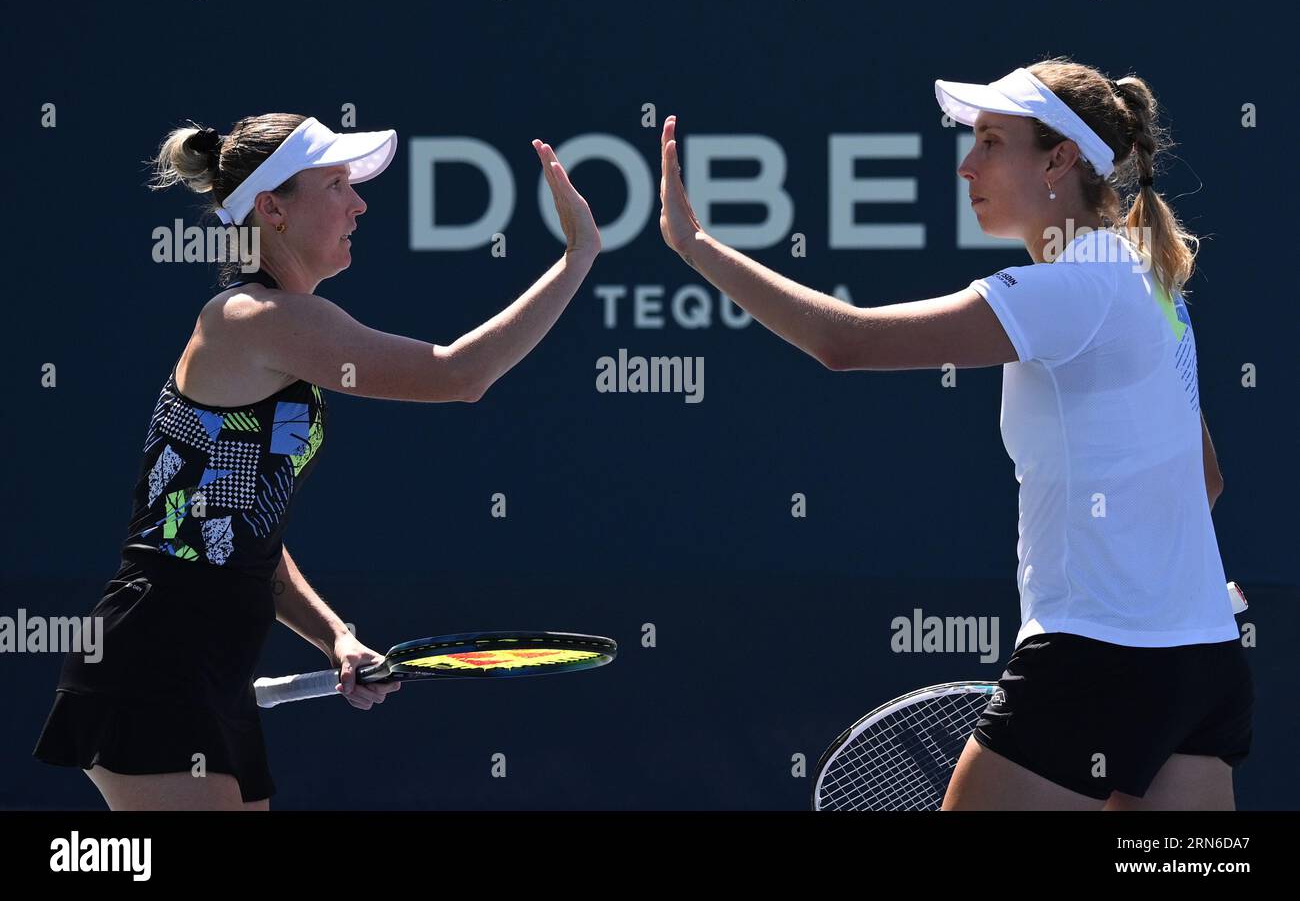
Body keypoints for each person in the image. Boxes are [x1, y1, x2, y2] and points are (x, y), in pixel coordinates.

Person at [657, 58, 1251, 810]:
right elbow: (1206, 479)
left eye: (993, 142)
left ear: (1059, 160)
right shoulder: (1151, 284)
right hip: (1206, 668)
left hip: (1094, 660)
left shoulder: (1072, 287)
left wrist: (696, 247)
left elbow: (849, 342)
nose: (967, 163)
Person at [33, 113, 602, 810]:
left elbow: (239, 533)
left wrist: (336, 638)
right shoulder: (251, 319)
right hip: (156, 662)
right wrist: (576, 258)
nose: (359, 203)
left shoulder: (274, 330)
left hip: (206, 669)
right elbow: (462, 375)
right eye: (337, 184)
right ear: (272, 209)